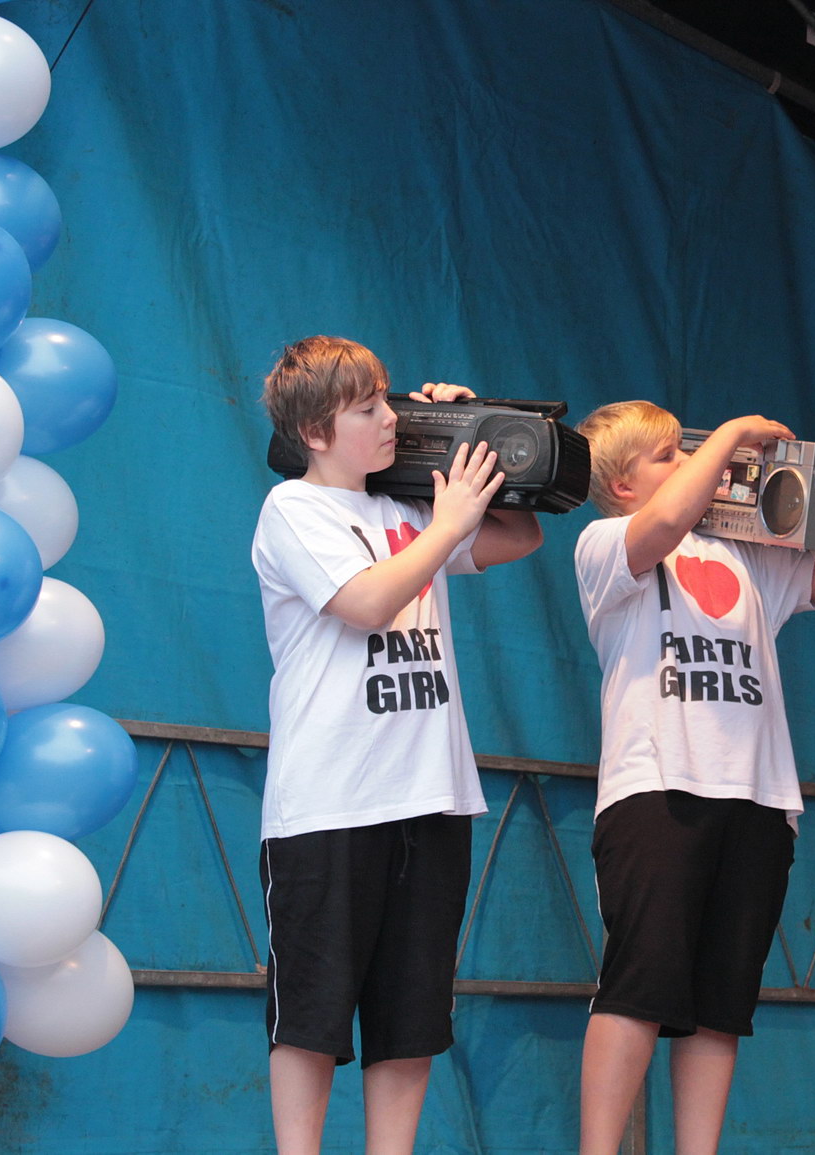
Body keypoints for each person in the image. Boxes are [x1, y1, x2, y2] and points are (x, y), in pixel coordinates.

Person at [250, 336, 542, 1155]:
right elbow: (367, 603)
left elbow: (520, 535)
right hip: (330, 803)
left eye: (389, 401)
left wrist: (469, 435)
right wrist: (444, 527)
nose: (389, 418)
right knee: (311, 1016)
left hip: (431, 794)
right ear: (315, 431)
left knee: (409, 1018)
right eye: (367, 408)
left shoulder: (409, 505)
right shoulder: (294, 509)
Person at [571, 400, 815, 1154]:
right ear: (623, 484)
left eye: (688, 451)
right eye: (668, 456)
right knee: (639, 985)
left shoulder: (745, 554)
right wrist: (733, 435)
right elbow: (667, 522)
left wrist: (799, 483)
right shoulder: (607, 545)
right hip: (658, 789)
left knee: (721, 1002)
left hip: (757, 796)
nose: (691, 465)